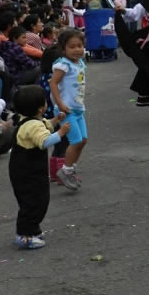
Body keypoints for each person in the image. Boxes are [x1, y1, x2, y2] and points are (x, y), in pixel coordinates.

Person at [9, 85, 70, 250]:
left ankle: (31, 230)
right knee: (34, 202)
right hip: (28, 172)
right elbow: (44, 141)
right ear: (40, 108)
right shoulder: (33, 125)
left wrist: (55, 120)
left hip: (25, 170)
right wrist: (61, 133)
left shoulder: (30, 120)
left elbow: (44, 126)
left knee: (34, 200)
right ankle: (25, 236)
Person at [49, 29, 87, 191]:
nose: (77, 49)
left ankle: (70, 168)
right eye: (72, 47)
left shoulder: (80, 62)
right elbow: (53, 83)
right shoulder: (63, 65)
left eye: (80, 45)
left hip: (78, 109)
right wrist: (60, 104)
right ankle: (66, 171)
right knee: (76, 141)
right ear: (63, 49)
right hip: (65, 111)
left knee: (83, 140)